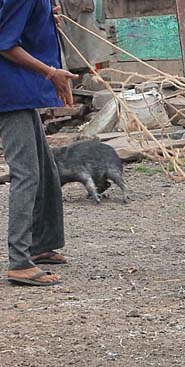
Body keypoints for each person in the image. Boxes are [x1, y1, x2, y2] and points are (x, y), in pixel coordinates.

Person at [0, 0, 78, 286]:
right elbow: (4, 42)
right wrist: (50, 72)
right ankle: (20, 262)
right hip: (9, 94)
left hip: (19, 90)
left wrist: (45, 20)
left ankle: (40, 244)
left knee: (45, 170)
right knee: (27, 173)